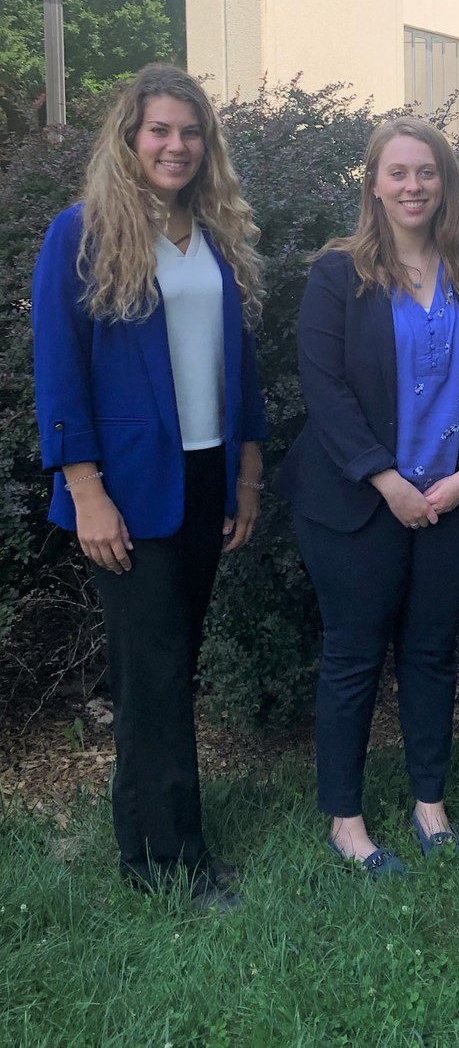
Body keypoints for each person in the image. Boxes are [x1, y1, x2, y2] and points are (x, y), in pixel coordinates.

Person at [32, 63, 267, 912]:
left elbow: (240, 367)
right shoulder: (83, 232)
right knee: (155, 673)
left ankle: (145, 840)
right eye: (160, 130)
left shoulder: (214, 233)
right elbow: (57, 369)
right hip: (126, 490)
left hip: (204, 478)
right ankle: (174, 864)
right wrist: (85, 489)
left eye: (190, 131)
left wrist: (246, 472)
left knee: (166, 671)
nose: (176, 145)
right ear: (130, 138)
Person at [277, 117, 459, 881]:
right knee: (353, 656)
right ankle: (345, 819)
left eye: (427, 172)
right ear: (373, 182)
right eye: (398, 172)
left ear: (445, 182)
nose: (413, 185)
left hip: (452, 496)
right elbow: (326, 388)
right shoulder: (336, 274)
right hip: (355, 503)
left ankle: (428, 801)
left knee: (430, 651)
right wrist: (387, 480)